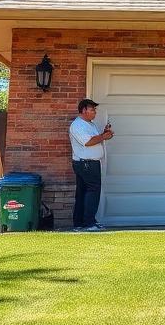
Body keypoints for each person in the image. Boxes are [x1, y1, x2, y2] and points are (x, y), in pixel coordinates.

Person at [69, 98, 113, 231]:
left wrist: (103, 134)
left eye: (95, 109)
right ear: (83, 110)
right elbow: (88, 142)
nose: (95, 112)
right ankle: (89, 223)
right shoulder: (77, 125)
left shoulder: (90, 124)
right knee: (92, 191)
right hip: (86, 164)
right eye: (92, 109)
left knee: (83, 193)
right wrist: (103, 137)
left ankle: (80, 224)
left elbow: (95, 138)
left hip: (89, 163)